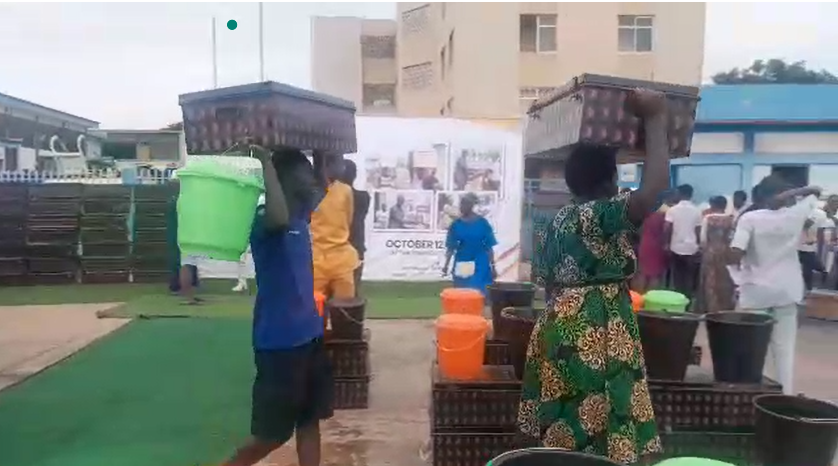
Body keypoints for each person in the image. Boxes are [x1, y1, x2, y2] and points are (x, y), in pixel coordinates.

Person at [519, 88, 669, 463]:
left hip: (557, 328)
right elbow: (652, 191)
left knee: (566, 423)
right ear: (608, 181)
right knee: (598, 424)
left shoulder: (556, 220)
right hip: (596, 331)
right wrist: (655, 117)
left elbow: (547, 285)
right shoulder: (597, 215)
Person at [221, 146, 332, 466]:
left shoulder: (301, 214)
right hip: (280, 344)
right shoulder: (265, 221)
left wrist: (322, 149)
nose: (310, 178)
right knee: (270, 436)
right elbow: (278, 217)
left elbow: (321, 188)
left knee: (309, 421)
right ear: (284, 179)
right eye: (303, 172)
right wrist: (265, 161)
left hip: (309, 337)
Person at [729, 176, 822, 395]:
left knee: (752, 349)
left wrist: (734, 274)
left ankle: (751, 394)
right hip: (786, 292)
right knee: (784, 350)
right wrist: (791, 193)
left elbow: (735, 254)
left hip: (755, 292)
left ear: (760, 195)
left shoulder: (749, 218)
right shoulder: (795, 215)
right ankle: (784, 397)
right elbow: (815, 191)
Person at [311, 155, 359, 300]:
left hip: (341, 257)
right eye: (339, 164)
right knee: (315, 306)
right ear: (326, 165)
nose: (342, 168)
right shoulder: (311, 190)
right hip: (316, 258)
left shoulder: (346, 190)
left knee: (345, 306)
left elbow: (348, 220)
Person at [442, 193, 497, 294]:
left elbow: (489, 246)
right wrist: (446, 266)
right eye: (461, 204)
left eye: (464, 204)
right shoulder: (456, 225)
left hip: (480, 262)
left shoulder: (482, 223)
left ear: (471, 206)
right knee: (463, 292)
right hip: (463, 261)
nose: (461, 207)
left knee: (479, 291)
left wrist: (493, 266)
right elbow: (450, 247)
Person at [695, 196, 735, 314]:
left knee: (710, 280)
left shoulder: (708, 218)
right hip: (726, 252)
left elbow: (703, 239)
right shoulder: (731, 219)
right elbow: (732, 237)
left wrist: (703, 248)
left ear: (713, 205)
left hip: (710, 251)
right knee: (724, 279)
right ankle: (724, 307)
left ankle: (710, 308)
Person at [664, 184, 702, 300]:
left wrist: (666, 243)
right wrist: (698, 245)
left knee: (677, 277)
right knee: (689, 277)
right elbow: (698, 230)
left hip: (676, 247)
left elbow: (667, 228)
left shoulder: (672, 210)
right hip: (691, 248)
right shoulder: (697, 211)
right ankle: (687, 300)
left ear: (679, 194)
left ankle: (678, 299)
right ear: (691, 195)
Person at [635, 190, 678, 293]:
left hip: (645, 244)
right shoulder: (666, 216)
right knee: (655, 275)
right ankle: (650, 297)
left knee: (642, 273)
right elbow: (667, 231)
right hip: (658, 246)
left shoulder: (648, 215)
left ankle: (638, 297)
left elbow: (640, 230)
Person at [338, 160, 370, 297]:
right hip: (354, 247)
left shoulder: (334, 198)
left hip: (341, 247)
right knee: (353, 291)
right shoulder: (363, 197)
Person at [166, 183, 201, 304]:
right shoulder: (183, 201)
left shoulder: (178, 200)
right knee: (186, 265)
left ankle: (189, 295)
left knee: (189, 264)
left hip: (184, 236)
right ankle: (188, 296)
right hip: (185, 236)